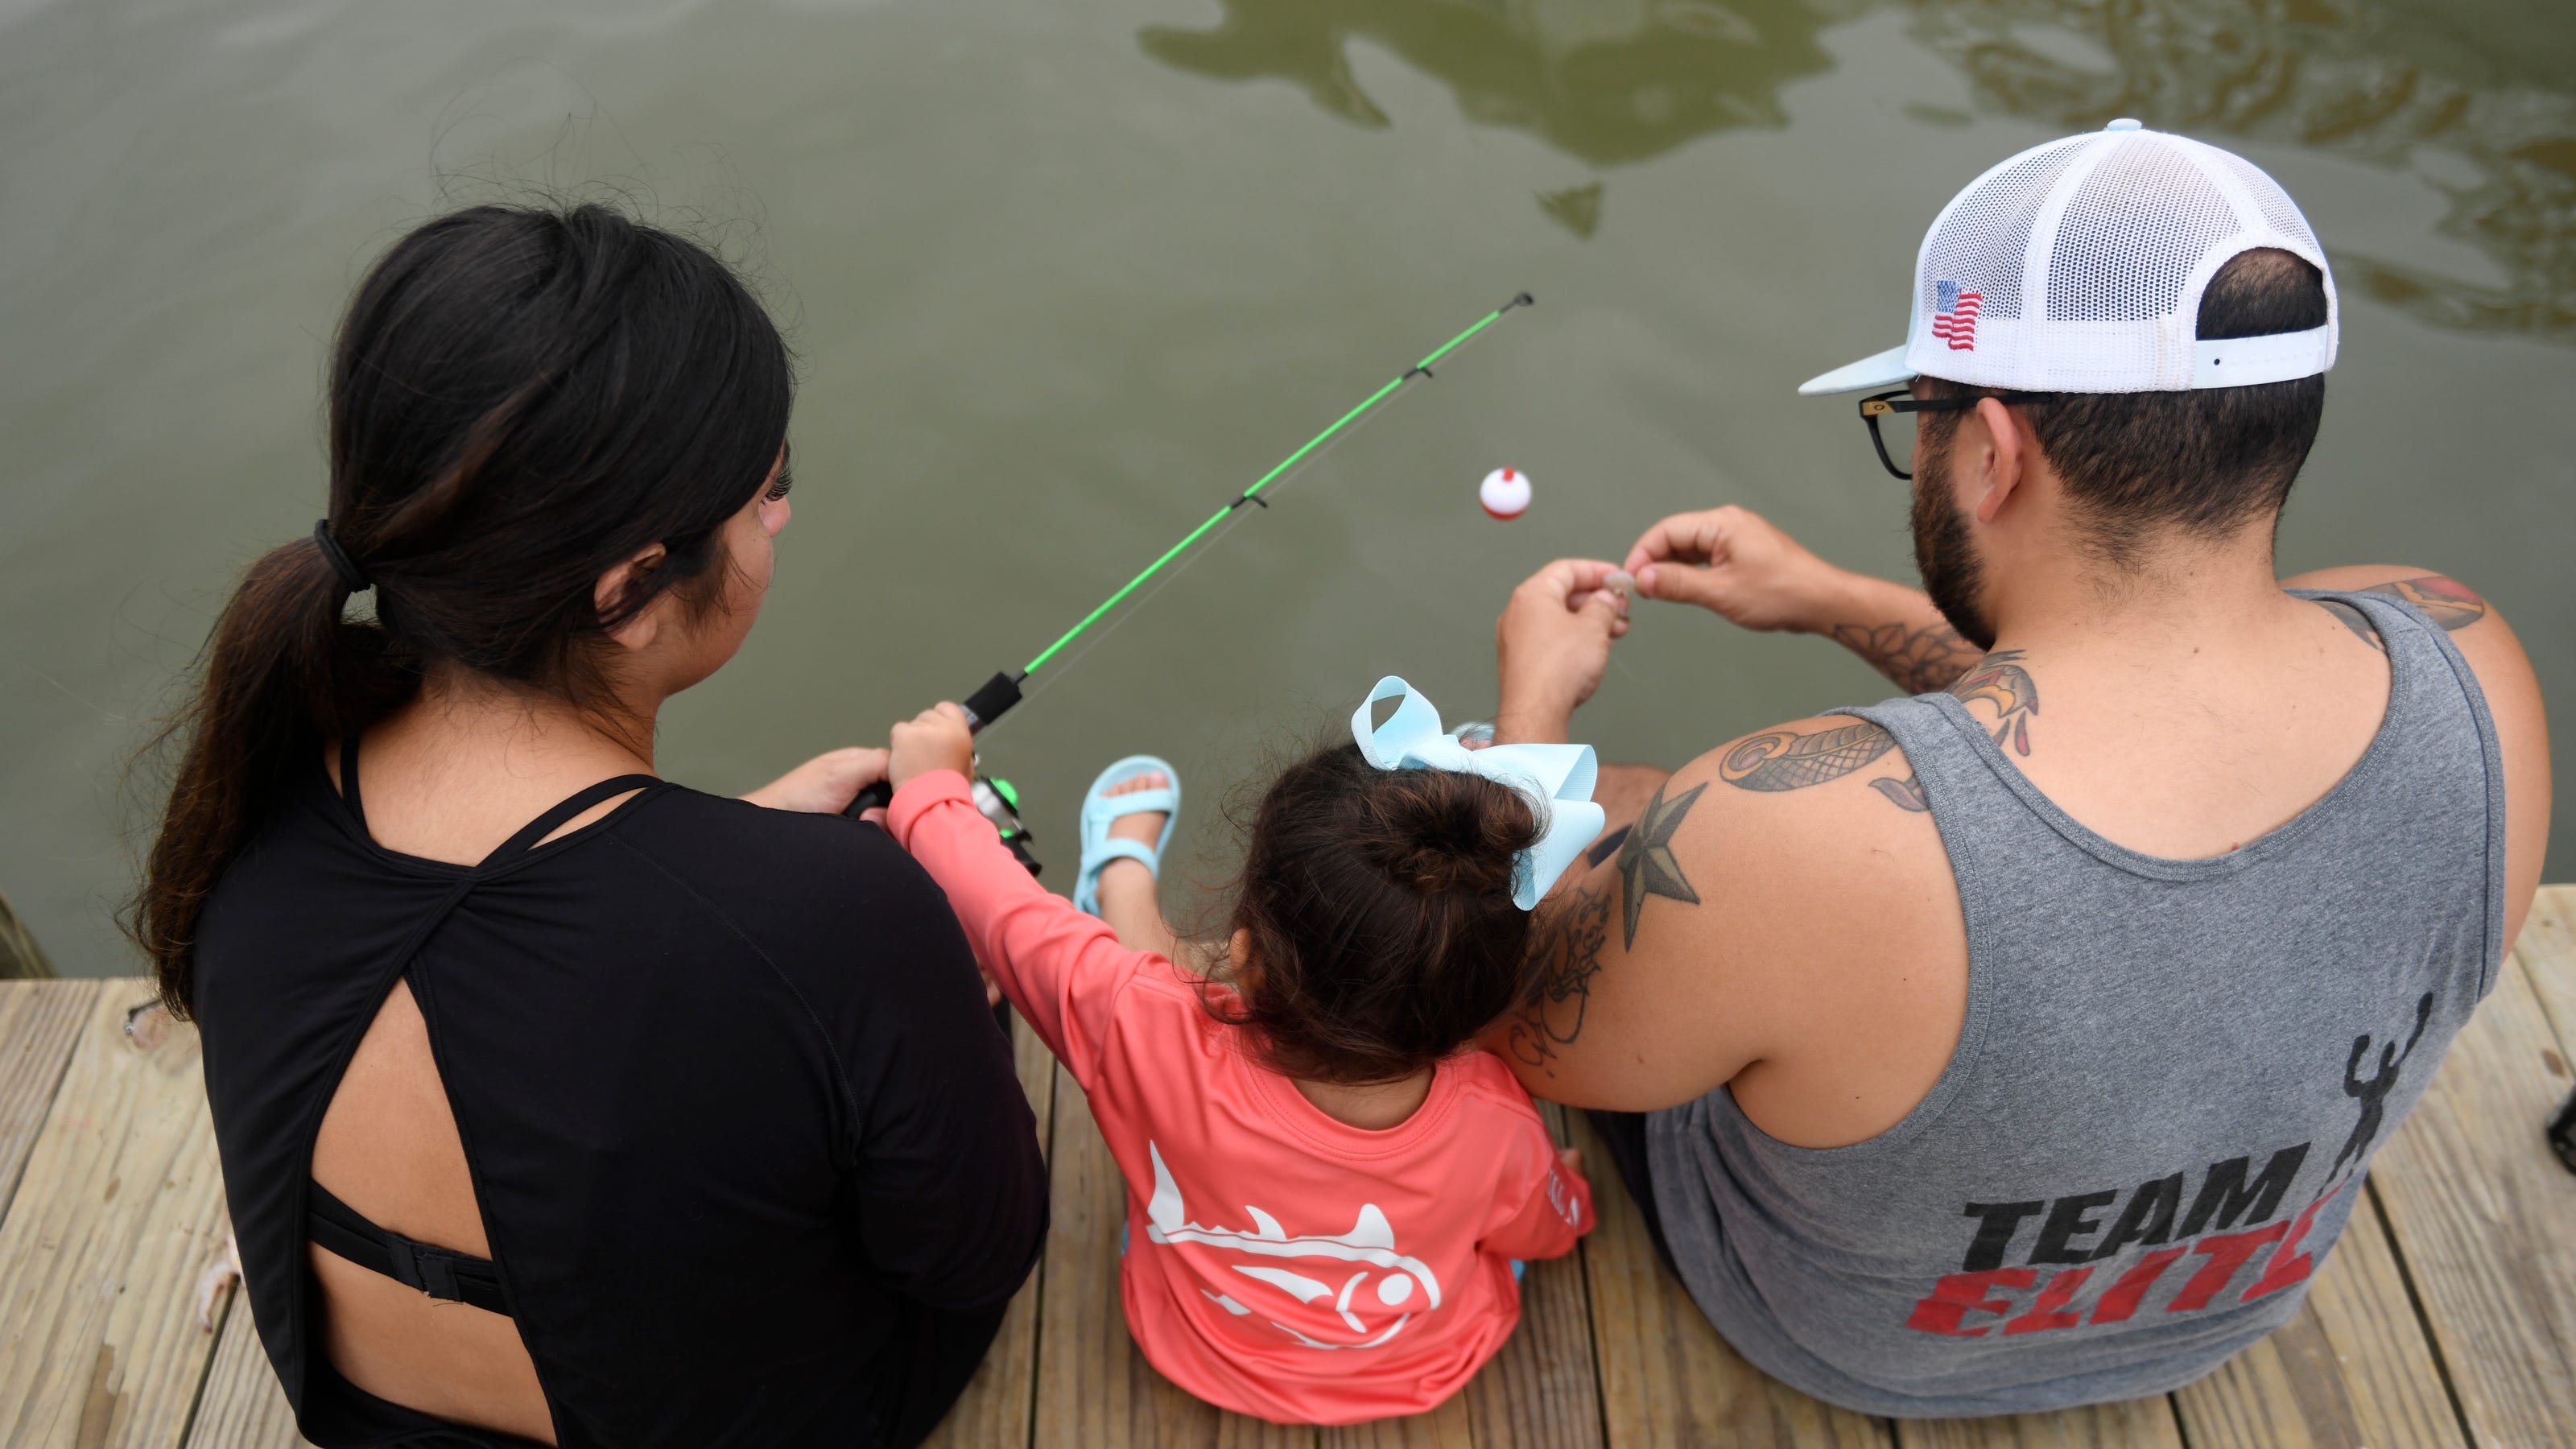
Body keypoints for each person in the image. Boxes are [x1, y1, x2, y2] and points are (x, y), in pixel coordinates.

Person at [1481, 122, 2550, 1416]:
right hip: (2226, 1316)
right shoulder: (2461, 657)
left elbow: (1528, 1033)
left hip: (1853, 1345)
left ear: (1993, 452)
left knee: (1637, 811)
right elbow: (2146, 706)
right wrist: (1831, 600)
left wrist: (1531, 723)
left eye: (1917, 417)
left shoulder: (1784, 831)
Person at [131, 204, 1048, 1447]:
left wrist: (740, 849)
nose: (778, 519)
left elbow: (512, 951)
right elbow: (973, 1250)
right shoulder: (843, 919)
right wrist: (940, 966)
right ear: (627, 590)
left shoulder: (263, 789)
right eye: (767, 492)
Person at [877, 676, 1597, 1425]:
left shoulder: (1141, 1024)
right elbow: (1545, 1228)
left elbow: (1005, 912)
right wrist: (1571, 1199)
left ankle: (1121, 875)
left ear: (1246, 954)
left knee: (1129, 972)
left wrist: (932, 789)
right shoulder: (1497, 1126)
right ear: (1479, 1012)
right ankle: (1120, 884)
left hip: (1192, 1341)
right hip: (1412, 1371)